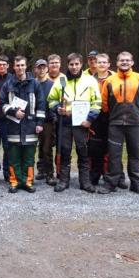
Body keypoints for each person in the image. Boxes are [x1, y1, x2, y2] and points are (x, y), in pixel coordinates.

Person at [47, 53, 101, 192]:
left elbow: (96, 102)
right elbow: (51, 99)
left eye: (77, 64)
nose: (74, 67)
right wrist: (56, 108)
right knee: (65, 151)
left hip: (82, 123)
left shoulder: (90, 81)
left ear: (81, 64)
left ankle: (85, 182)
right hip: (65, 122)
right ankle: (64, 181)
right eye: (71, 64)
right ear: (68, 65)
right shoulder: (61, 81)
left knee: (83, 152)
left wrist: (90, 120)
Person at [101, 52, 139, 194]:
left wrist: (137, 112)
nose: (124, 62)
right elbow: (104, 102)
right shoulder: (110, 80)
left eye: (127, 60)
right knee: (114, 155)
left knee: (135, 154)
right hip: (115, 123)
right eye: (121, 60)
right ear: (117, 63)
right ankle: (111, 183)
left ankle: (136, 184)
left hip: (134, 123)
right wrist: (112, 114)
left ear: (132, 62)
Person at [0, 56, 46, 193]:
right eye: (17, 65)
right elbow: (1, 104)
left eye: (22, 65)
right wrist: (14, 112)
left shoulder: (35, 84)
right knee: (13, 157)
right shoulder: (8, 84)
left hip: (31, 127)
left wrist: (39, 123)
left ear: (26, 66)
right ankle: (15, 182)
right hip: (13, 128)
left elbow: (41, 104)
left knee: (29, 157)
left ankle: (28, 182)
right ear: (13, 67)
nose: (20, 68)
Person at [88, 53, 123, 187]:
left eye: (104, 62)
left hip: (112, 117)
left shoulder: (116, 79)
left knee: (113, 147)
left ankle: (117, 176)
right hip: (95, 117)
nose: (101, 65)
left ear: (109, 64)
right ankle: (94, 175)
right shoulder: (89, 80)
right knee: (95, 147)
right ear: (95, 64)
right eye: (99, 62)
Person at [33, 58, 56, 186]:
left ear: (47, 69)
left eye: (43, 67)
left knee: (47, 148)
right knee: (33, 147)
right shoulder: (31, 83)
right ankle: (39, 170)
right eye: (39, 67)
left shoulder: (52, 85)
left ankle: (49, 174)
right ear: (35, 69)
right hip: (32, 120)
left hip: (47, 121)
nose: (41, 70)